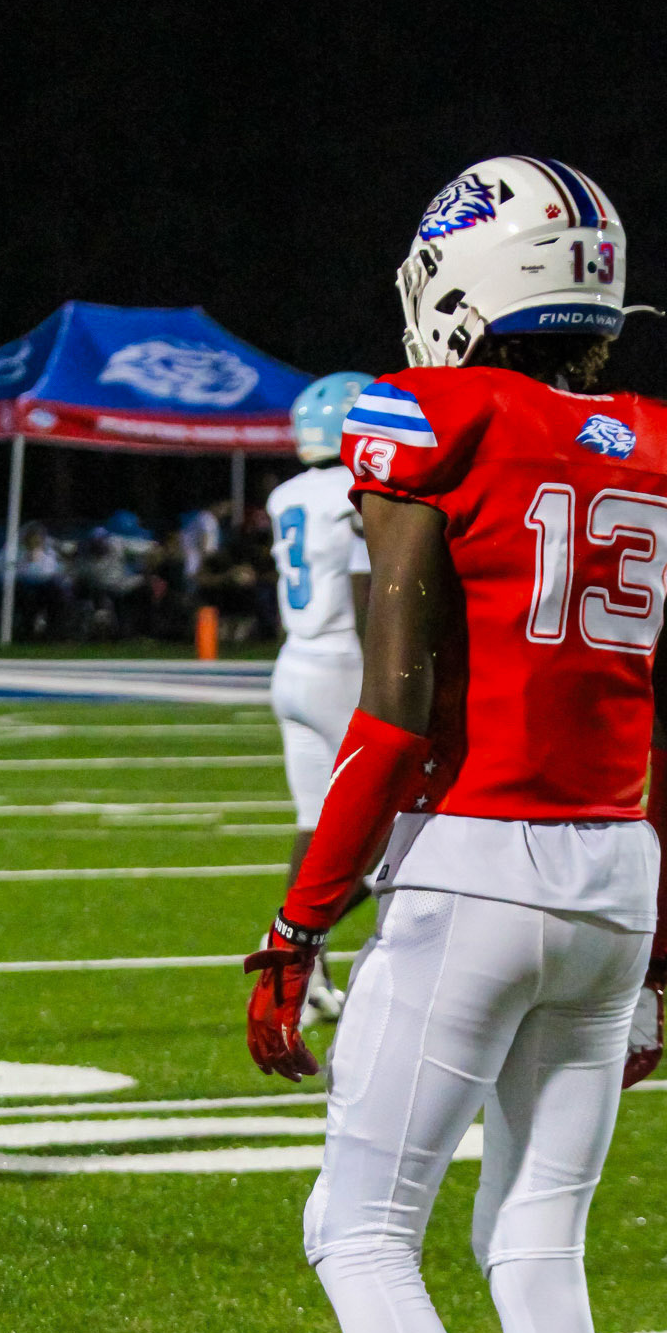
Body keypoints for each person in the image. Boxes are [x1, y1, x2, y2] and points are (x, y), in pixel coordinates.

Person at [244, 156, 667, 1333]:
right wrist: (653, 955)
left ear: (460, 288)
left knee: (357, 1232)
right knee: (537, 1251)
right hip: (613, 878)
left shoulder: (427, 422)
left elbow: (390, 720)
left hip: (475, 861)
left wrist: (296, 925)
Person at [265, 372, 372, 1024]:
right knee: (396, 835)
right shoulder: (356, 491)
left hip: (294, 664)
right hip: (343, 667)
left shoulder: (285, 495)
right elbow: (368, 590)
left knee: (314, 823)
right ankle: (292, 943)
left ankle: (301, 972)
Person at [0, 522, 71, 638]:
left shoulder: (49, 553)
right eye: (32, 537)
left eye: (39, 537)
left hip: (45, 589)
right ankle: (27, 629)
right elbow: (0, 568)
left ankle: (54, 631)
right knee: (26, 597)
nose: (35, 541)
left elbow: (56, 571)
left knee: (59, 592)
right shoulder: (12, 552)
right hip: (21, 589)